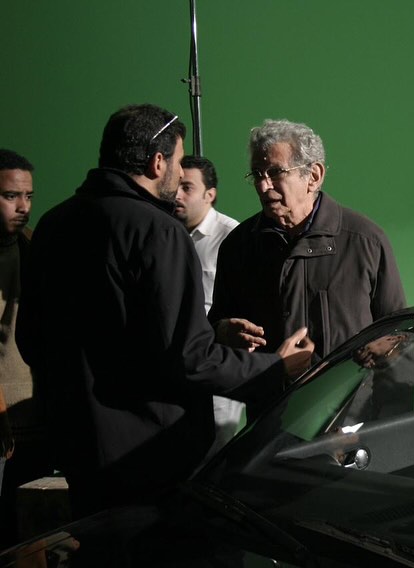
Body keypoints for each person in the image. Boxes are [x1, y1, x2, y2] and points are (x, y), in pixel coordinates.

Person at [15, 104, 315, 519]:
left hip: (76, 451)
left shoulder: (52, 224)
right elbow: (188, 359)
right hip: (148, 460)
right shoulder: (158, 231)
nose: (178, 172)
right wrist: (274, 367)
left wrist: (211, 333)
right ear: (158, 163)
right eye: (177, 161)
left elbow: (33, 340)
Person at [208, 119, 406, 419]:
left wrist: (394, 421)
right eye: (257, 174)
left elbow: (398, 338)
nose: (263, 185)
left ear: (313, 176)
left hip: (351, 420)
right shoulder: (239, 246)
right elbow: (215, 327)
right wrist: (223, 331)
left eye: (275, 172)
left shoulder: (365, 241)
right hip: (271, 421)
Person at [175, 155, 244, 456]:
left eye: (187, 187)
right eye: (176, 185)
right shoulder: (168, 233)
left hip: (217, 360)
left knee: (216, 449)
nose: (177, 194)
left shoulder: (232, 237)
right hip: (179, 362)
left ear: (210, 194)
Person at [0, 149, 52, 546]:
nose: (23, 207)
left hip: (35, 417)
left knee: (32, 535)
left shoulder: (33, 246)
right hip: (3, 420)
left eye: (29, 196)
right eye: (10, 196)